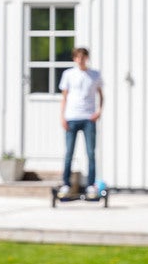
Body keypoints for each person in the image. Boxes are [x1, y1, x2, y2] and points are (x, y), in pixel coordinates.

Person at [58, 47, 103, 199]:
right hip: (72, 117)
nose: (81, 60)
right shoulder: (68, 74)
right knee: (69, 153)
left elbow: (101, 95)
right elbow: (64, 97)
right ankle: (66, 184)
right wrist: (62, 116)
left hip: (88, 118)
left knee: (90, 153)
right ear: (74, 59)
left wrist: (99, 111)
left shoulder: (95, 75)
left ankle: (91, 185)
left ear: (87, 58)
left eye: (83, 57)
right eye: (78, 57)